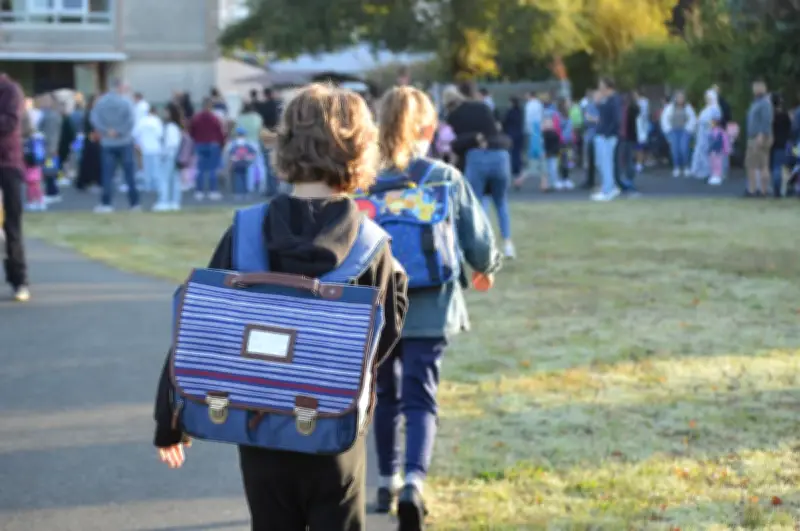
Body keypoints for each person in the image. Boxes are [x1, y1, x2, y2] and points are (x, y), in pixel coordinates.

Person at [153, 82, 409, 531]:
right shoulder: (370, 244)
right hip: (334, 428)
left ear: (284, 142)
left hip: (259, 422)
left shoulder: (247, 230)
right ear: (361, 149)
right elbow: (388, 326)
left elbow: (200, 325)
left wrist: (170, 419)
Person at [370, 86, 500, 529]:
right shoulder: (444, 176)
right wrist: (485, 268)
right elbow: (478, 239)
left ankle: (385, 481)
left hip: (377, 309)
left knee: (383, 395)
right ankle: (414, 484)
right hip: (432, 304)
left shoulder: (364, 180)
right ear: (428, 128)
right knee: (420, 398)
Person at [443, 84, 515, 258]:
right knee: (501, 202)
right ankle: (508, 244)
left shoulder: (454, 116)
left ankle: (484, 246)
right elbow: (495, 130)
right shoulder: (482, 107)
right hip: (500, 155)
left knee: (477, 202)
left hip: (476, 157)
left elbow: (458, 144)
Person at [0, 72, 29, 302]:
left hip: (7, 163)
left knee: (12, 224)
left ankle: (19, 279)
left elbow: (10, 122)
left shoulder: (10, 90)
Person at [91, 79, 139, 212]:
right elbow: (131, 120)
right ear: (121, 87)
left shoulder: (101, 102)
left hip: (107, 142)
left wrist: (106, 131)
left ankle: (106, 203)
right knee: (129, 174)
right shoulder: (126, 102)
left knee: (107, 174)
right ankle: (134, 203)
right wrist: (119, 131)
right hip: (124, 141)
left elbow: (94, 119)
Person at [591, 77, 622, 202]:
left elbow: (616, 119)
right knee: (601, 162)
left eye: (601, 85)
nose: (599, 88)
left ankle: (607, 190)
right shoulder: (608, 100)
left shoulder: (614, 100)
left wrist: (608, 133)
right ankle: (610, 186)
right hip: (603, 134)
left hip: (607, 136)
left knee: (606, 163)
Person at [189, 97, 226, 201]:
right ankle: (212, 191)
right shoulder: (214, 118)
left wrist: (196, 140)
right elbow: (220, 133)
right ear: (210, 106)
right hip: (213, 145)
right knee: (212, 169)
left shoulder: (196, 118)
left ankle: (199, 191)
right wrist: (222, 144)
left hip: (200, 144)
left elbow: (192, 131)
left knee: (200, 169)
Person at [744, 79, 774, 196]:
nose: (755, 89)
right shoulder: (755, 103)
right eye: (755, 87)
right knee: (752, 164)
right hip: (753, 136)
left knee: (761, 164)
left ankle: (760, 190)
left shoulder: (765, 103)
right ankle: (754, 189)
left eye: (758, 87)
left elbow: (766, 121)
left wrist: (761, 135)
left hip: (759, 137)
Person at [153, 104, 184, 211]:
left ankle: (164, 201)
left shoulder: (170, 127)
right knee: (174, 179)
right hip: (174, 155)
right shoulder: (175, 126)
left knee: (164, 179)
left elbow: (170, 143)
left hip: (168, 155)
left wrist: (163, 154)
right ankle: (174, 201)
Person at [660, 90, 696, 178]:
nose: (680, 99)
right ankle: (676, 167)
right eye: (678, 97)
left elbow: (692, 119)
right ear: (675, 98)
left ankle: (686, 167)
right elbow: (664, 119)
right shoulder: (670, 107)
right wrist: (668, 131)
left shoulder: (688, 107)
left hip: (684, 131)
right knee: (674, 150)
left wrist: (689, 130)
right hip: (673, 131)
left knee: (684, 149)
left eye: (682, 97)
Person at [689, 89, 720, 181]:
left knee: (707, 152)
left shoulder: (715, 109)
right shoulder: (706, 108)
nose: (707, 100)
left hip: (709, 133)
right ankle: (699, 170)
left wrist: (709, 127)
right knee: (700, 151)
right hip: (701, 133)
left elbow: (715, 122)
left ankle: (707, 171)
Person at [235, 102, 266, 193]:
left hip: (245, 144)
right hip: (256, 142)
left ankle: (250, 187)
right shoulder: (257, 117)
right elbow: (261, 130)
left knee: (249, 166)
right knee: (260, 165)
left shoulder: (240, 118)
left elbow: (238, 131)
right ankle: (262, 185)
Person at [38, 93, 63, 203]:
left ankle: (52, 192)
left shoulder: (51, 116)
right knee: (49, 170)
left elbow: (52, 134)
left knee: (49, 171)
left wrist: (52, 148)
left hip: (49, 148)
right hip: (48, 147)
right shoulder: (50, 114)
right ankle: (51, 192)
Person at [134, 105, 165, 193]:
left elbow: (136, 133)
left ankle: (147, 185)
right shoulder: (157, 121)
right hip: (155, 148)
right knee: (156, 168)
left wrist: (139, 143)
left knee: (147, 168)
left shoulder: (142, 121)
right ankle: (156, 185)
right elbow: (160, 134)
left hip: (145, 148)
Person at [223, 126, 259, 200]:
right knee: (241, 178)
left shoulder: (235, 143)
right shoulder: (246, 143)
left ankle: (241, 193)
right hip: (241, 164)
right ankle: (242, 193)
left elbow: (229, 153)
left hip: (240, 164)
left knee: (240, 178)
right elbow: (253, 153)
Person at [76, 95, 101, 192]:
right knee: (92, 162)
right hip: (92, 140)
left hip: (92, 139)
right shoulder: (91, 113)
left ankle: (88, 181)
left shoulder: (90, 112)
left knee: (90, 162)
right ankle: (91, 181)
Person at [23, 112, 46, 211]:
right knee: (36, 184)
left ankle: (32, 201)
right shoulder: (38, 137)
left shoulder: (27, 139)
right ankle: (39, 201)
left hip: (29, 164)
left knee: (31, 184)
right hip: (36, 164)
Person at [770, 93, 791, 197]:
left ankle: (774, 188)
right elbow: (790, 128)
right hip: (783, 143)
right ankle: (778, 190)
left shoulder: (770, 116)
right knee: (779, 166)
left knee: (773, 167)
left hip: (771, 143)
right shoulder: (784, 115)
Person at [580, 90, 600, 189]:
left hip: (599, 137)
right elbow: (586, 120)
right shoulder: (590, 106)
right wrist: (595, 119)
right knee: (589, 161)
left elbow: (600, 120)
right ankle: (589, 181)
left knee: (600, 161)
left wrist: (592, 118)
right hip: (590, 137)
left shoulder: (602, 106)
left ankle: (601, 182)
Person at [502, 96, 524, 178]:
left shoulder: (510, 112)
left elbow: (505, 122)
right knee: (517, 153)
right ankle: (517, 168)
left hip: (511, 134)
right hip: (519, 134)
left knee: (511, 152)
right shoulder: (520, 111)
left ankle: (512, 168)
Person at [707, 110, 730, 186]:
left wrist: (726, 150)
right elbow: (709, 142)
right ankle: (713, 175)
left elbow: (725, 141)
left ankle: (718, 176)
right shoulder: (710, 132)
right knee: (712, 163)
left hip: (719, 151)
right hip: (712, 151)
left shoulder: (721, 132)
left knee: (718, 163)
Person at [542, 117, 561, 191]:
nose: (548, 125)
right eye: (546, 123)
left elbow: (556, 146)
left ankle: (554, 182)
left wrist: (550, 153)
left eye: (549, 123)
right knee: (546, 170)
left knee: (553, 168)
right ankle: (548, 183)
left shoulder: (554, 134)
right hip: (546, 155)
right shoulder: (542, 135)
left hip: (553, 155)